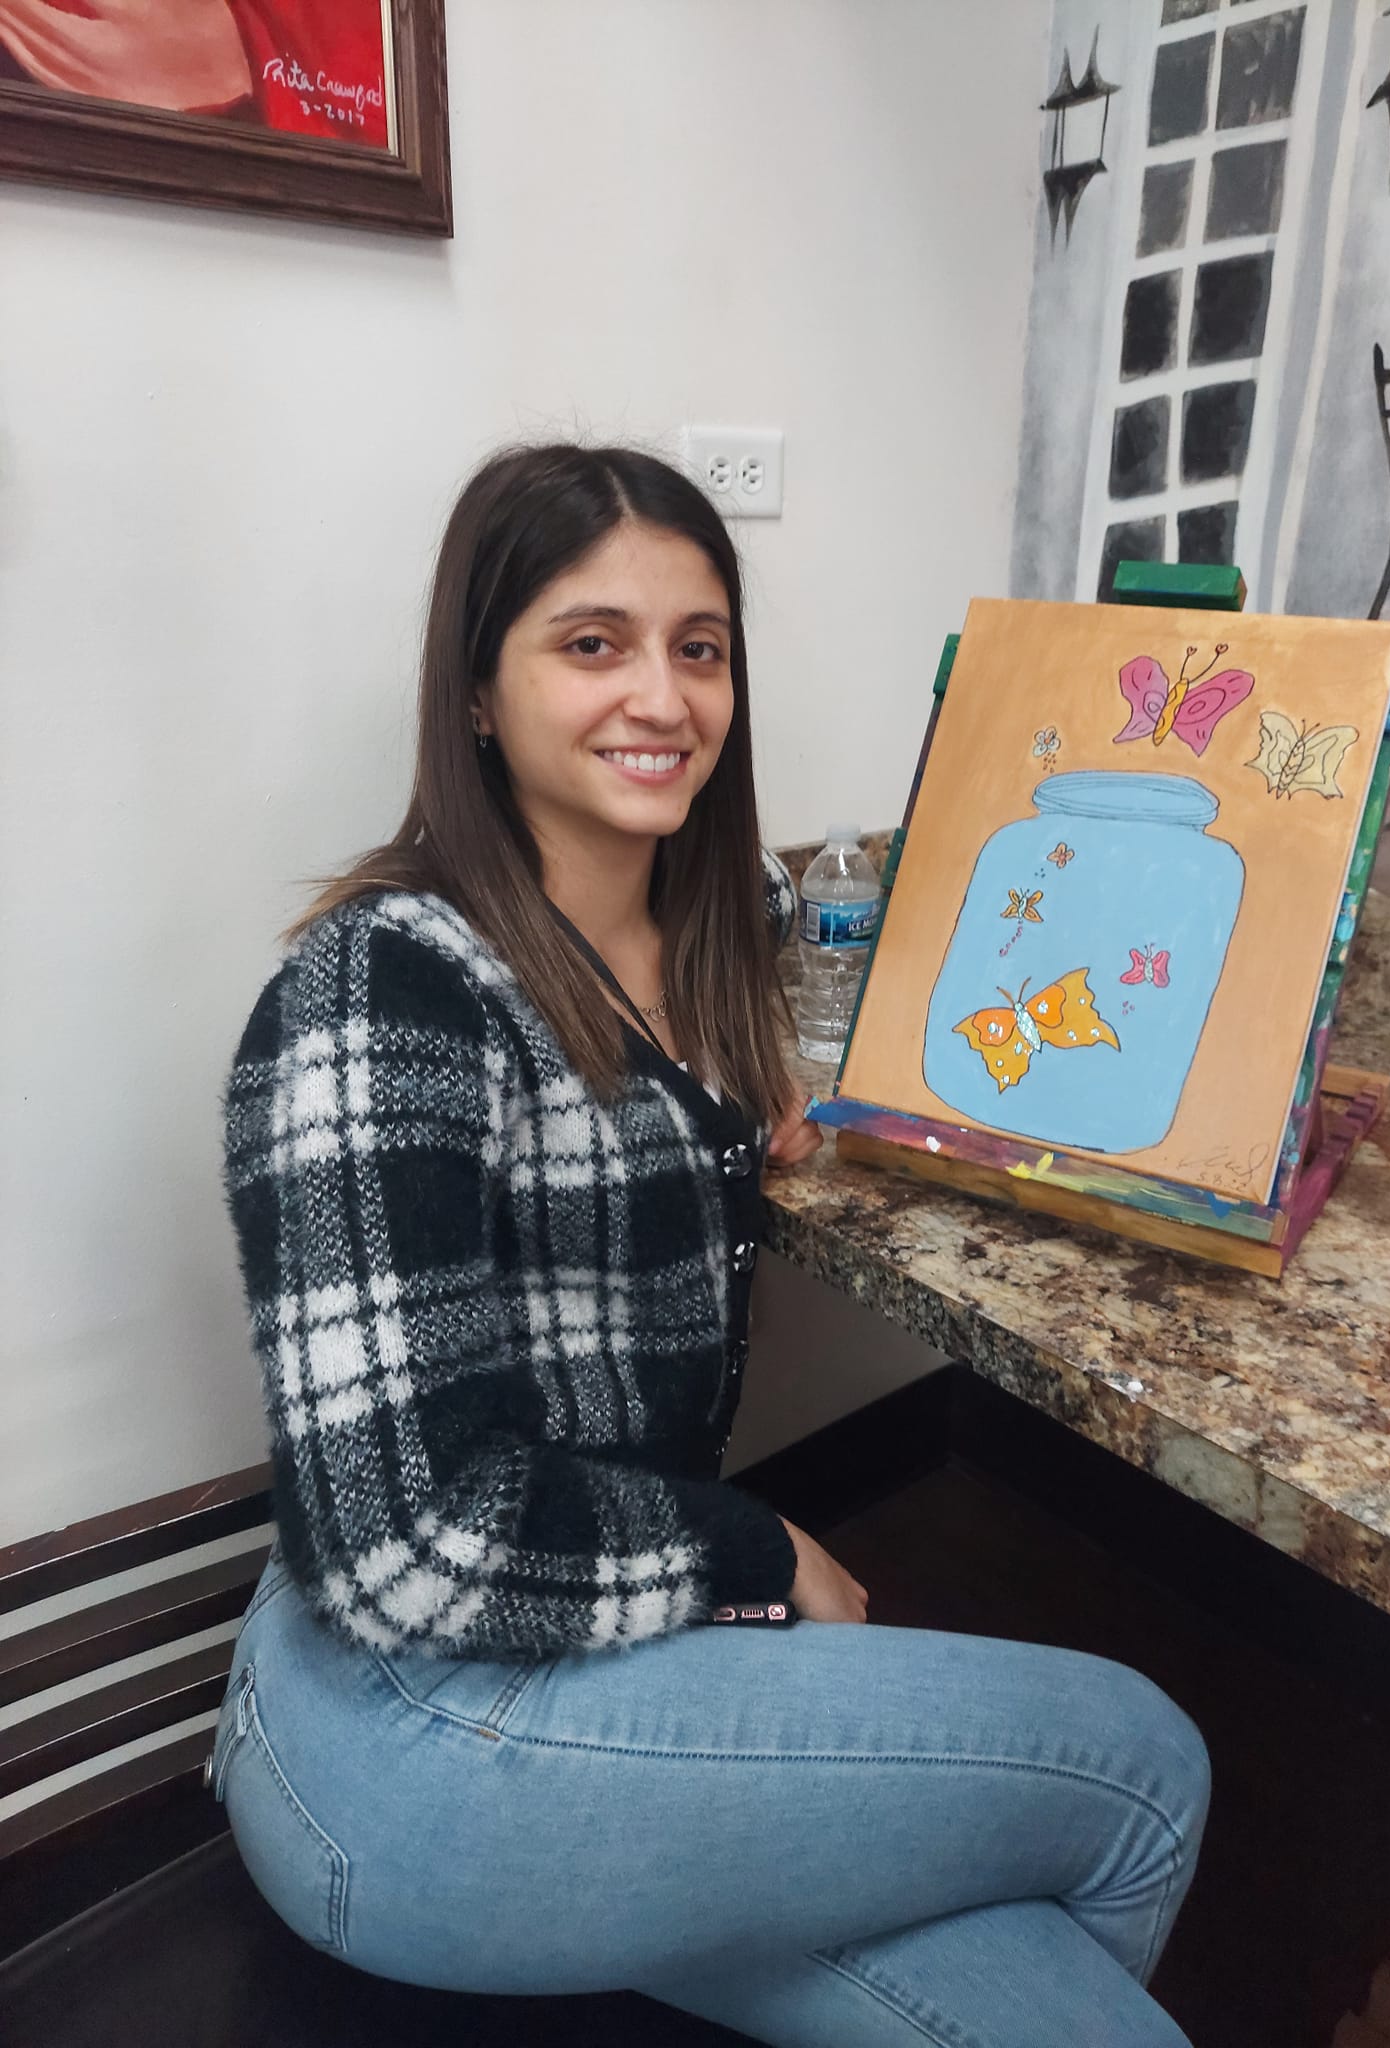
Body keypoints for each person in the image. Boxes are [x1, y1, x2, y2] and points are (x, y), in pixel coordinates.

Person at [213, 443, 1209, 2047]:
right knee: (1145, 1771)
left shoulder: (710, 930)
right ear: (477, 693)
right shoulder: (381, 993)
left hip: (616, 1661)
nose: (661, 697)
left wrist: (760, 1122)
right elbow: (399, 1543)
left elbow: (709, 1111)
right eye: (591, 643)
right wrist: (754, 1553)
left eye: (699, 647)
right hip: (407, 1732)